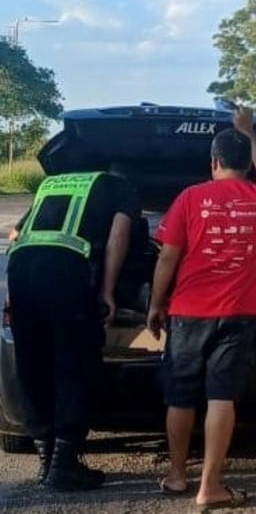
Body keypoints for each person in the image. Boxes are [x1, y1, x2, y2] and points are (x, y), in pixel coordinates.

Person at [147, 106, 256, 510]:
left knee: (181, 397)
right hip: (240, 313)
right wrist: (250, 131)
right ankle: (210, 487)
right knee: (222, 396)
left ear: (214, 162)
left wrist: (155, 305)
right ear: (244, 163)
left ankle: (176, 476)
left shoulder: (189, 198)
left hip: (187, 313)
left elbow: (167, 257)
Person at [6, 169, 139, 491]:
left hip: (22, 268)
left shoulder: (53, 183)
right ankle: (64, 464)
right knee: (73, 363)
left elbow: (15, 234)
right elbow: (119, 235)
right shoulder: (119, 185)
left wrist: (14, 291)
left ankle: (46, 458)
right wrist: (107, 290)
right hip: (63, 273)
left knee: (32, 362)